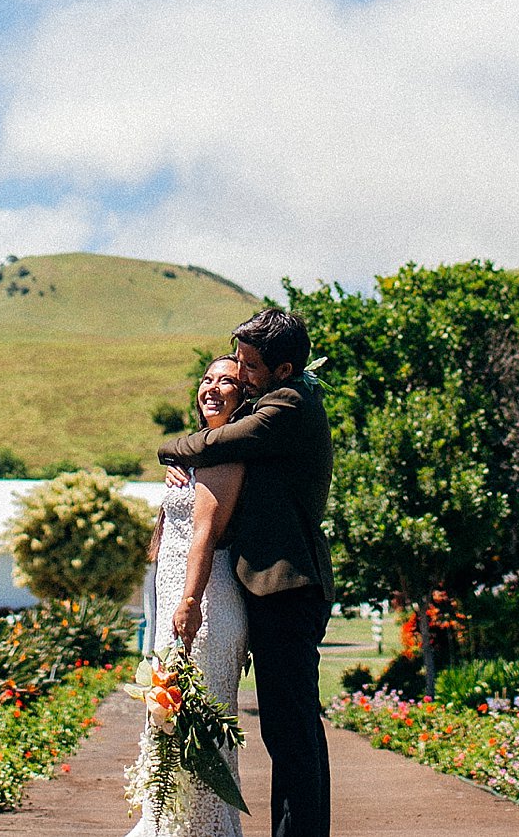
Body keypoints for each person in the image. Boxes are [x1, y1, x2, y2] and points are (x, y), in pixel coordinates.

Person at [158, 308, 334, 837]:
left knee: (293, 729)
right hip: (268, 587)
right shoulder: (277, 398)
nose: (239, 369)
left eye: (248, 364)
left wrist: (171, 450)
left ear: (282, 370)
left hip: (286, 586)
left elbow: (220, 444)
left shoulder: (289, 404)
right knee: (285, 729)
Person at [127, 355, 250, 837]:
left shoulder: (225, 452)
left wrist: (189, 602)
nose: (213, 388)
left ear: (244, 398)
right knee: (167, 717)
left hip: (205, 603)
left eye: (227, 382)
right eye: (207, 379)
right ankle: (166, 825)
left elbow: (204, 533)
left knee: (195, 724)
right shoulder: (195, 453)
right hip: (176, 601)